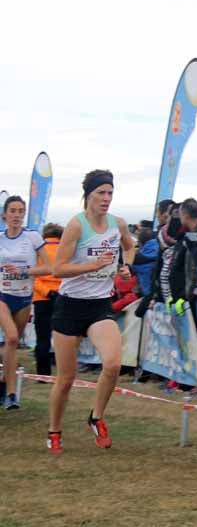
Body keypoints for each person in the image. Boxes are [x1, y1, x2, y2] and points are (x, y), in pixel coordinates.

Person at [47, 170, 135, 453]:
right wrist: (93, 266)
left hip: (99, 306)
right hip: (70, 305)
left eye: (110, 193)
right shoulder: (76, 226)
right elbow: (58, 269)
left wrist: (126, 266)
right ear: (89, 195)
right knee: (66, 379)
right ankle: (54, 431)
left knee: (112, 364)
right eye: (101, 193)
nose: (107, 199)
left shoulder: (117, 224)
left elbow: (129, 246)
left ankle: (96, 418)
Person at [1, 196, 53, 408]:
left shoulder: (32, 237)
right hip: (2, 295)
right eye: (12, 211)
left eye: (20, 211)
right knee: (12, 338)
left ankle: (5, 384)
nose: (17, 215)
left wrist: (24, 271)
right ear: (4, 215)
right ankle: (12, 395)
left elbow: (49, 268)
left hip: (23, 297)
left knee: (12, 344)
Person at [32, 223, 63, 377]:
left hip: (41, 298)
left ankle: (43, 374)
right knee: (63, 337)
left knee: (42, 337)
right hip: (63, 297)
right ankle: (64, 371)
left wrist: (47, 292)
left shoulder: (38, 251)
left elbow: (33, 277)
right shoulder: (65, 251)